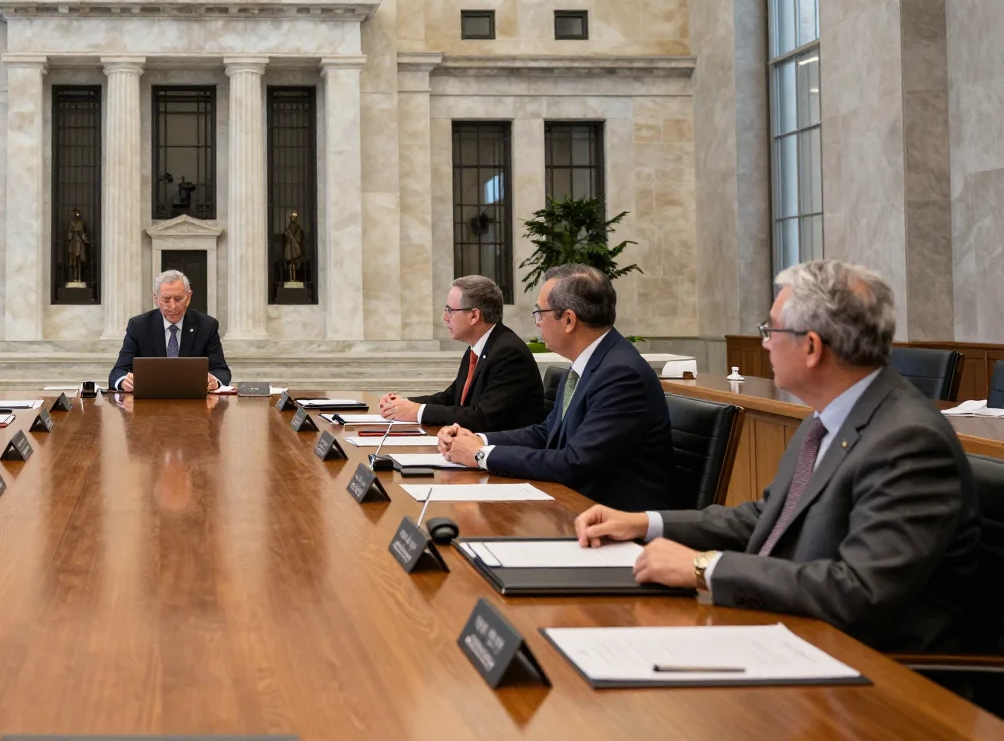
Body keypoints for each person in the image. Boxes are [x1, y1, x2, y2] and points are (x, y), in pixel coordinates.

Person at [574, 260, 981, 652]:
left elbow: (858, 591)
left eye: (771, 329)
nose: (765, 341)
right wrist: (645, 523)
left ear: (811, 347)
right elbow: (766, 518)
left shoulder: (908, 441)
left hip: (878, 675)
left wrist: (704, 568)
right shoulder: (824, 419)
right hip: (796, 634)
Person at [438, 264, 672, 511]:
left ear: (569, 320)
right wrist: (478, 439)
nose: (538, 323)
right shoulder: (588, 362)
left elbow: (575, 462)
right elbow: (545, 433)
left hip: (616, 521)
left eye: (540, 314)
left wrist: (480, 455)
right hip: (575, 504)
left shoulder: (621, 374)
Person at [378, 275, 545, 432]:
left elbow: (482, 417)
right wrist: (403, 403)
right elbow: (450, 398)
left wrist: (418, 411)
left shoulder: (508, 353)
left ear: (473, 315)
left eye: (450, 310)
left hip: (505, 453)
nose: (445, 317)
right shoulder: (478, 347)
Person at [109, 270, 231, 392]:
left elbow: (221, 371)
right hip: (150, 403)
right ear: (156, 299)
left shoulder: (207, 326)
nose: (173, 306)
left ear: (188, 297)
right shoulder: (138, 326)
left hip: (193, 402)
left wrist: (214, 381)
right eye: (166, 300)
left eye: (178, 299)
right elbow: (118, 372)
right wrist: (124, 381)